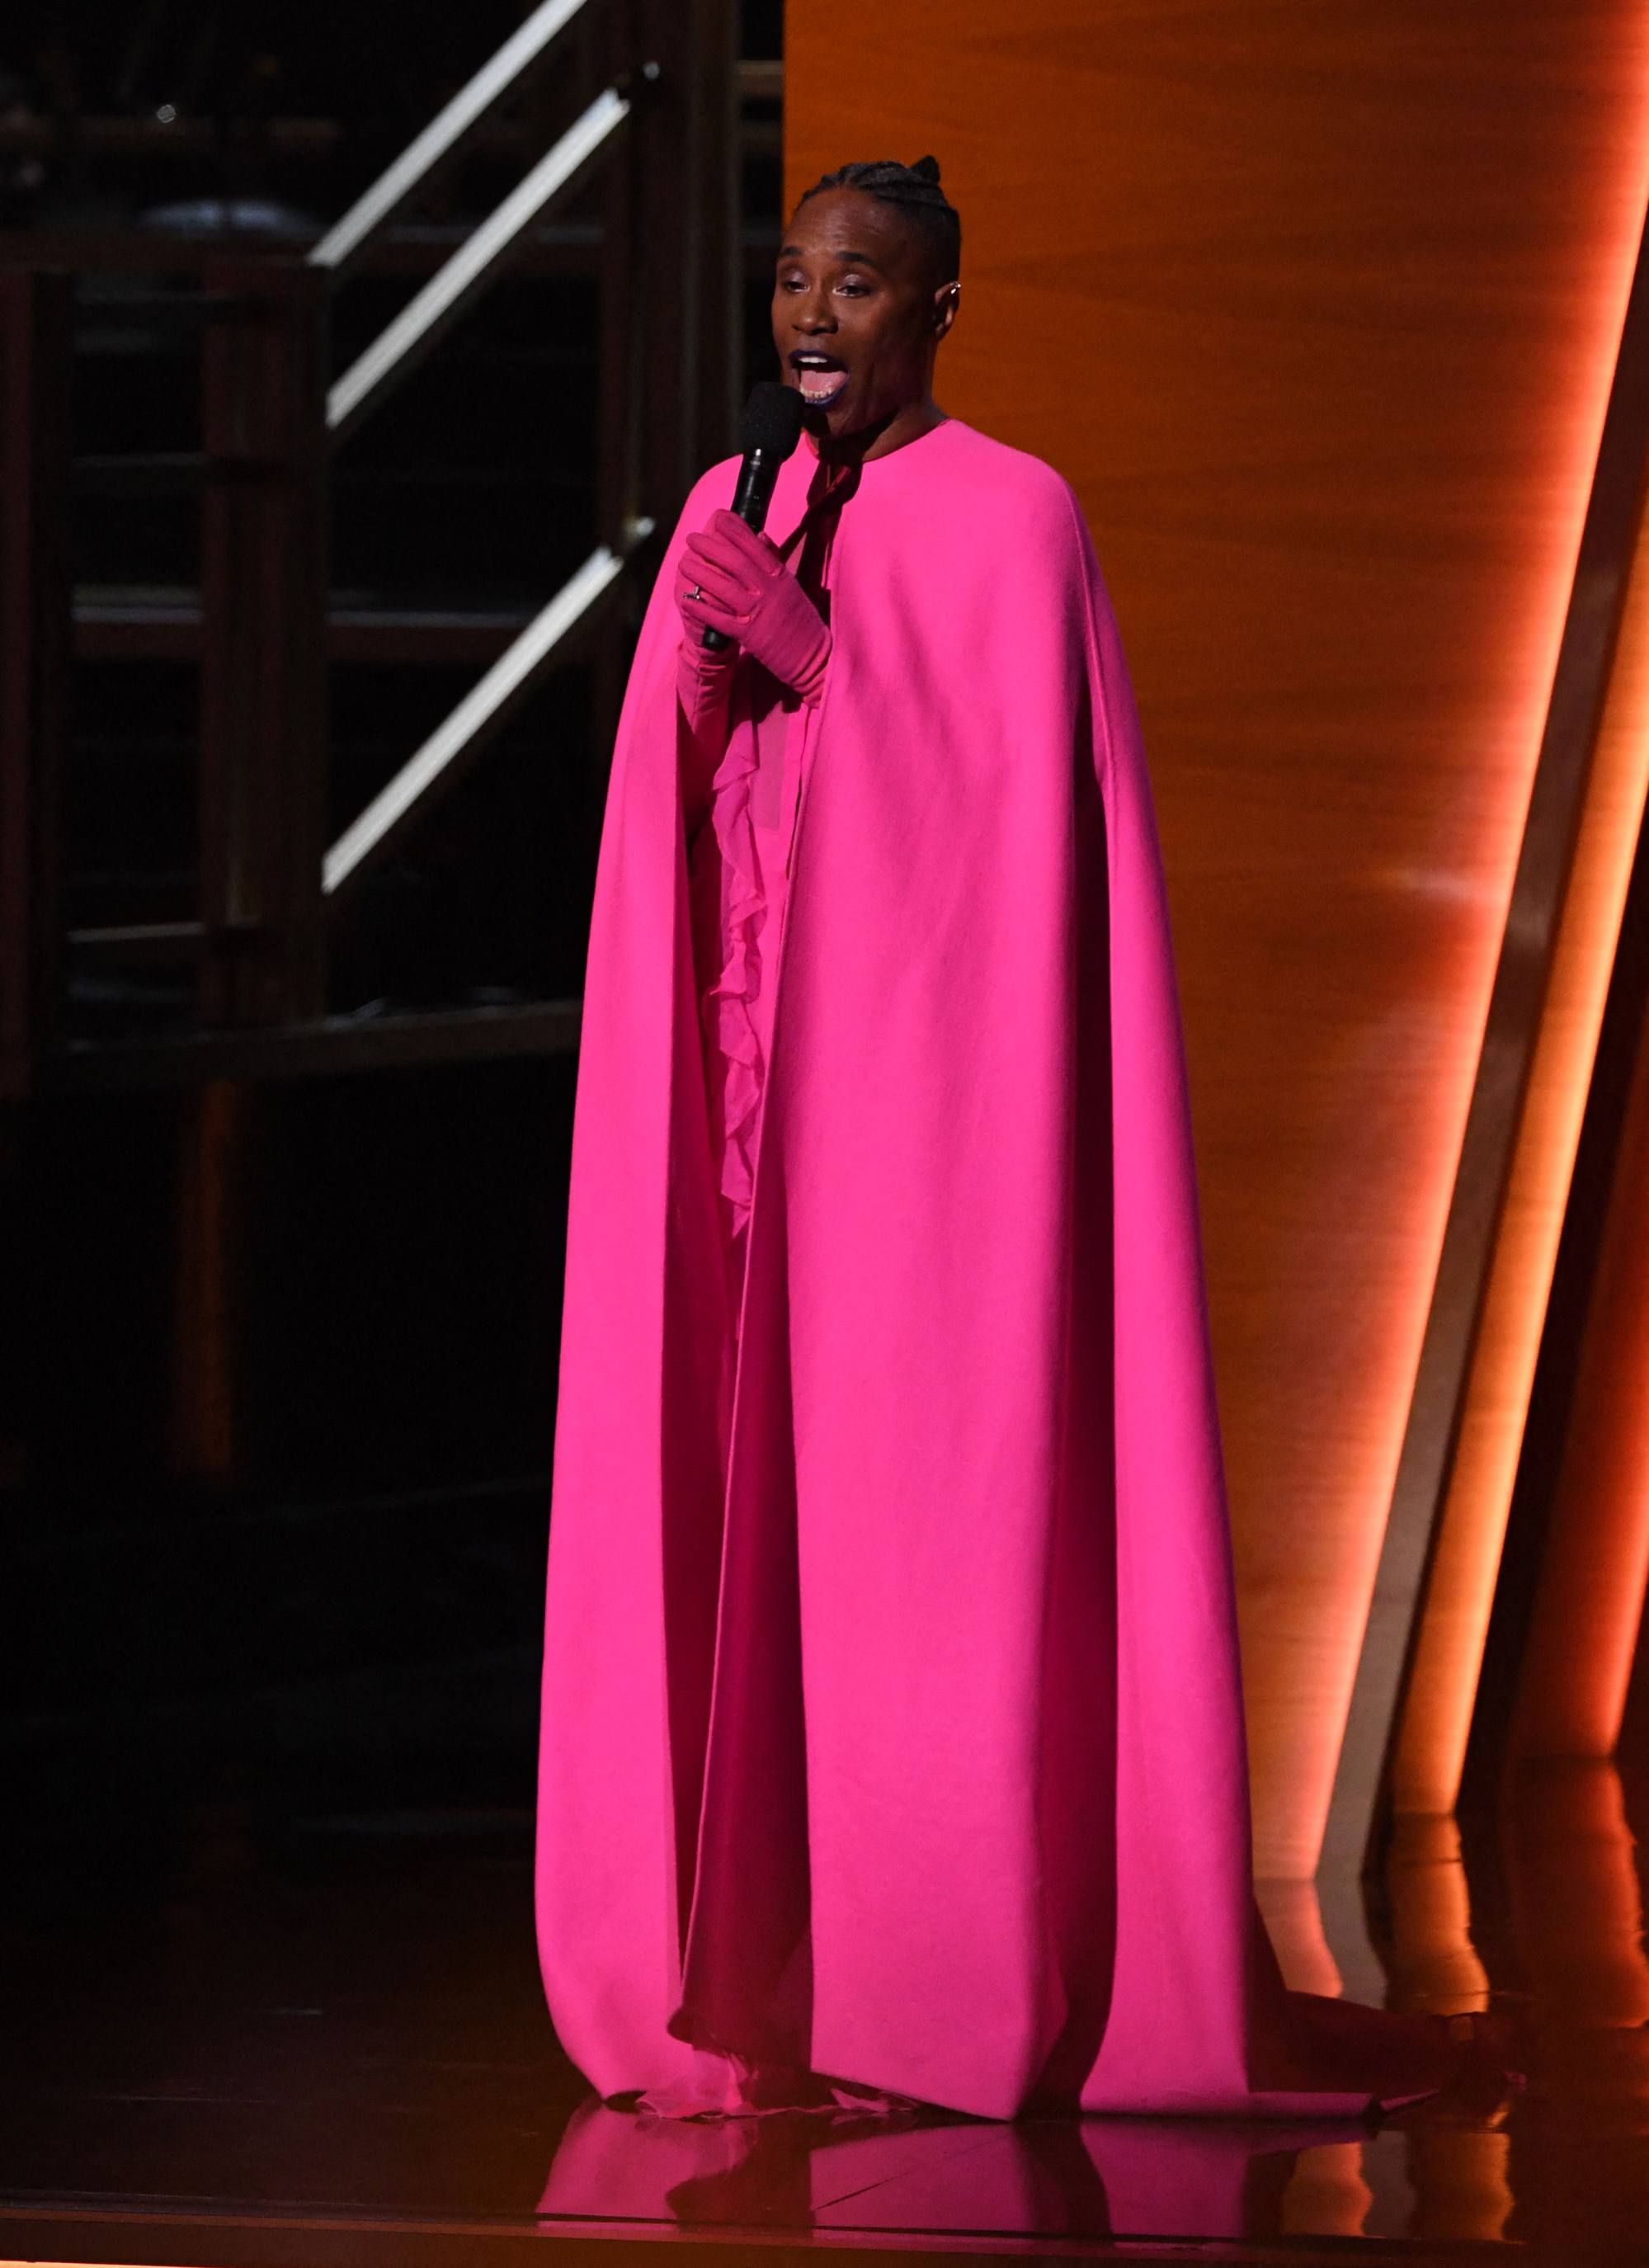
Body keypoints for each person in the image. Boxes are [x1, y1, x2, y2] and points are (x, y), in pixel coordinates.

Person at [535, 158, 1503, 2122]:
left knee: (906, 1536)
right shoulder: (732, 508)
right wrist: (714, 692)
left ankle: (927, 1983)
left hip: (914, 1143)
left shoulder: (1013, 518)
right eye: (794, 280)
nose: (814, 317)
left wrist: (831, 672)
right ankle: (731, 1977)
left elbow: (1017, 861)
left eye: (862, 286)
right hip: (738, 1120)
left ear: (939, 314)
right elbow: (665, 823)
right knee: (729, 1512)